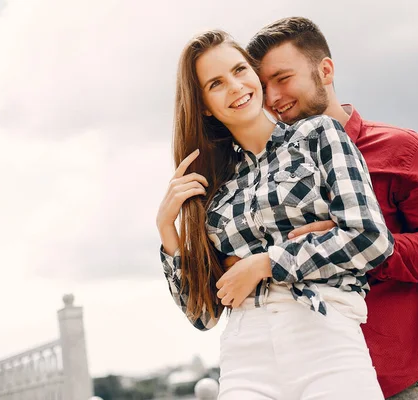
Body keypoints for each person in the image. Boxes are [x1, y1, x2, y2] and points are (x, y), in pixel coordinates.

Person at [241, 16, 418, 399]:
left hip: (397, 387)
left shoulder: (403, 150)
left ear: (326, 69)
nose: (272, 98)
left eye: (282, 79)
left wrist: (356, 242)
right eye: (262, 87)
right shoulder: (266, 175)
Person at [156, 29, 394, 399]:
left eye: (239, 70)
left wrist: (264, 263)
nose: (235, 86)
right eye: (216, 83)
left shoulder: (318, 135)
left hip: (324, 334)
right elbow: (203, 316)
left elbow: (370, 238)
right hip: (245, 355)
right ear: (203, 104)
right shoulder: (215, 188)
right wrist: (168, 232)